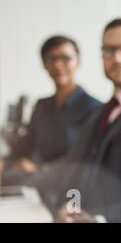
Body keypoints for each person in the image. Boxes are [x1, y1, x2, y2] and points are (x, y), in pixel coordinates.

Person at [35, 18, 121, 223]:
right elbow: (76, 171)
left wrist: (98, 219)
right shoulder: (100, 113)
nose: (118, 58)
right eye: (109, 50)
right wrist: (67, 208)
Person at [1, 36, 100, 180]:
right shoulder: (41, 106)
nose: (58, 65)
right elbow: (23, 149)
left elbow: (85, 161)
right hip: (37, 188)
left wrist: (39, 169)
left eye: (65, 58)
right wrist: (6, 163)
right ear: (44, 64)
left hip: (73, 190)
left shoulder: (94, 108)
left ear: (77, 61)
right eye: (51, 59)